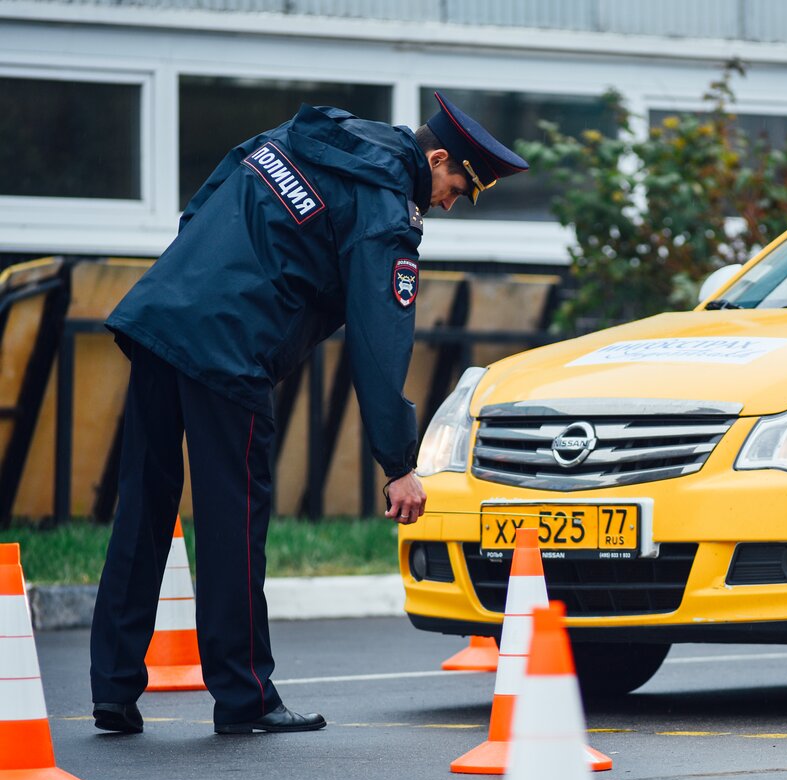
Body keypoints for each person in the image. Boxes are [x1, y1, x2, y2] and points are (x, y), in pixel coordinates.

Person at [90, 93, 527, 735]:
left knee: (143, 508)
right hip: (230, 353)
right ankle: (244, 699)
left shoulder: (307, 133)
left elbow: (203, 202)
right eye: (457, 187)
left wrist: (194, 284)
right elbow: (380, 345)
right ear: (436, 159)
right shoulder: (386, 209)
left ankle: (113, 689)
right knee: (232, 526)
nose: (448, 203)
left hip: (161, 317)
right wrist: (398, 463)